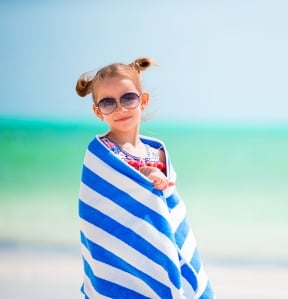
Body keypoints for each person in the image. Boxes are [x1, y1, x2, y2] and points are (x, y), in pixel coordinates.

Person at [75, 57, 215, 299]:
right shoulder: (100, 155)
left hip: (162, 250)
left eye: (128, 98)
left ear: (143, 101)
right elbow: (99, 219)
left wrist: (161, 181)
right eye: (108, 103)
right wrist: (145, 178)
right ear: (98, 112)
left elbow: (169, 207)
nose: (120, 108)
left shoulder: (158, 152)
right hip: (123, 263)